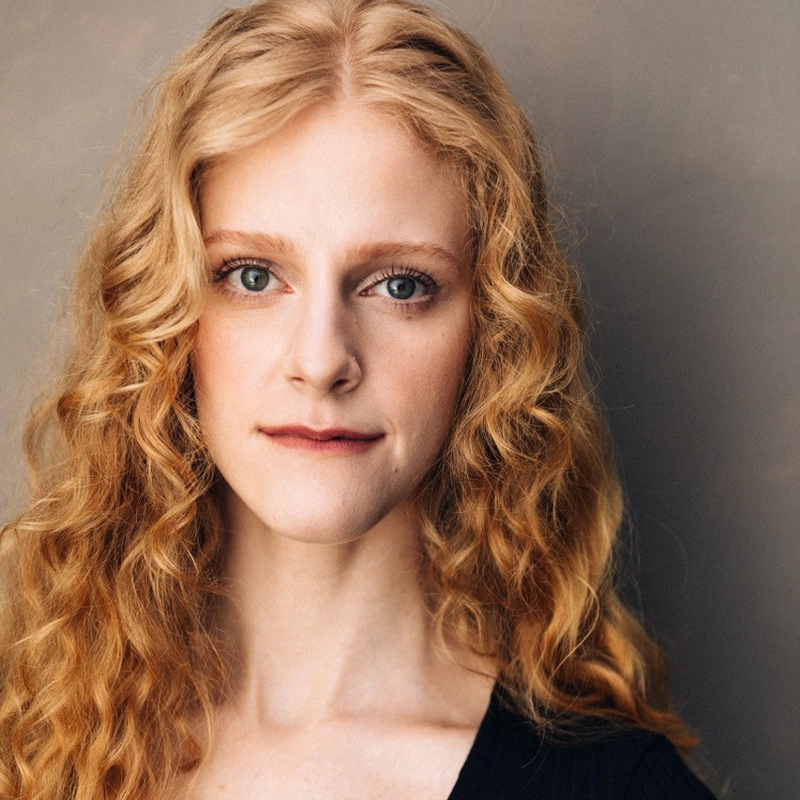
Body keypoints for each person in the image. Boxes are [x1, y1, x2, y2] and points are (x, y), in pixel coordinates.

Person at [0, 1, 716, 798]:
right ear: (167, 316)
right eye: (251, 275)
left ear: (493, 333)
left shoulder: (617, 787)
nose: (321, 360)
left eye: (399, 285)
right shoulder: (25, 740)